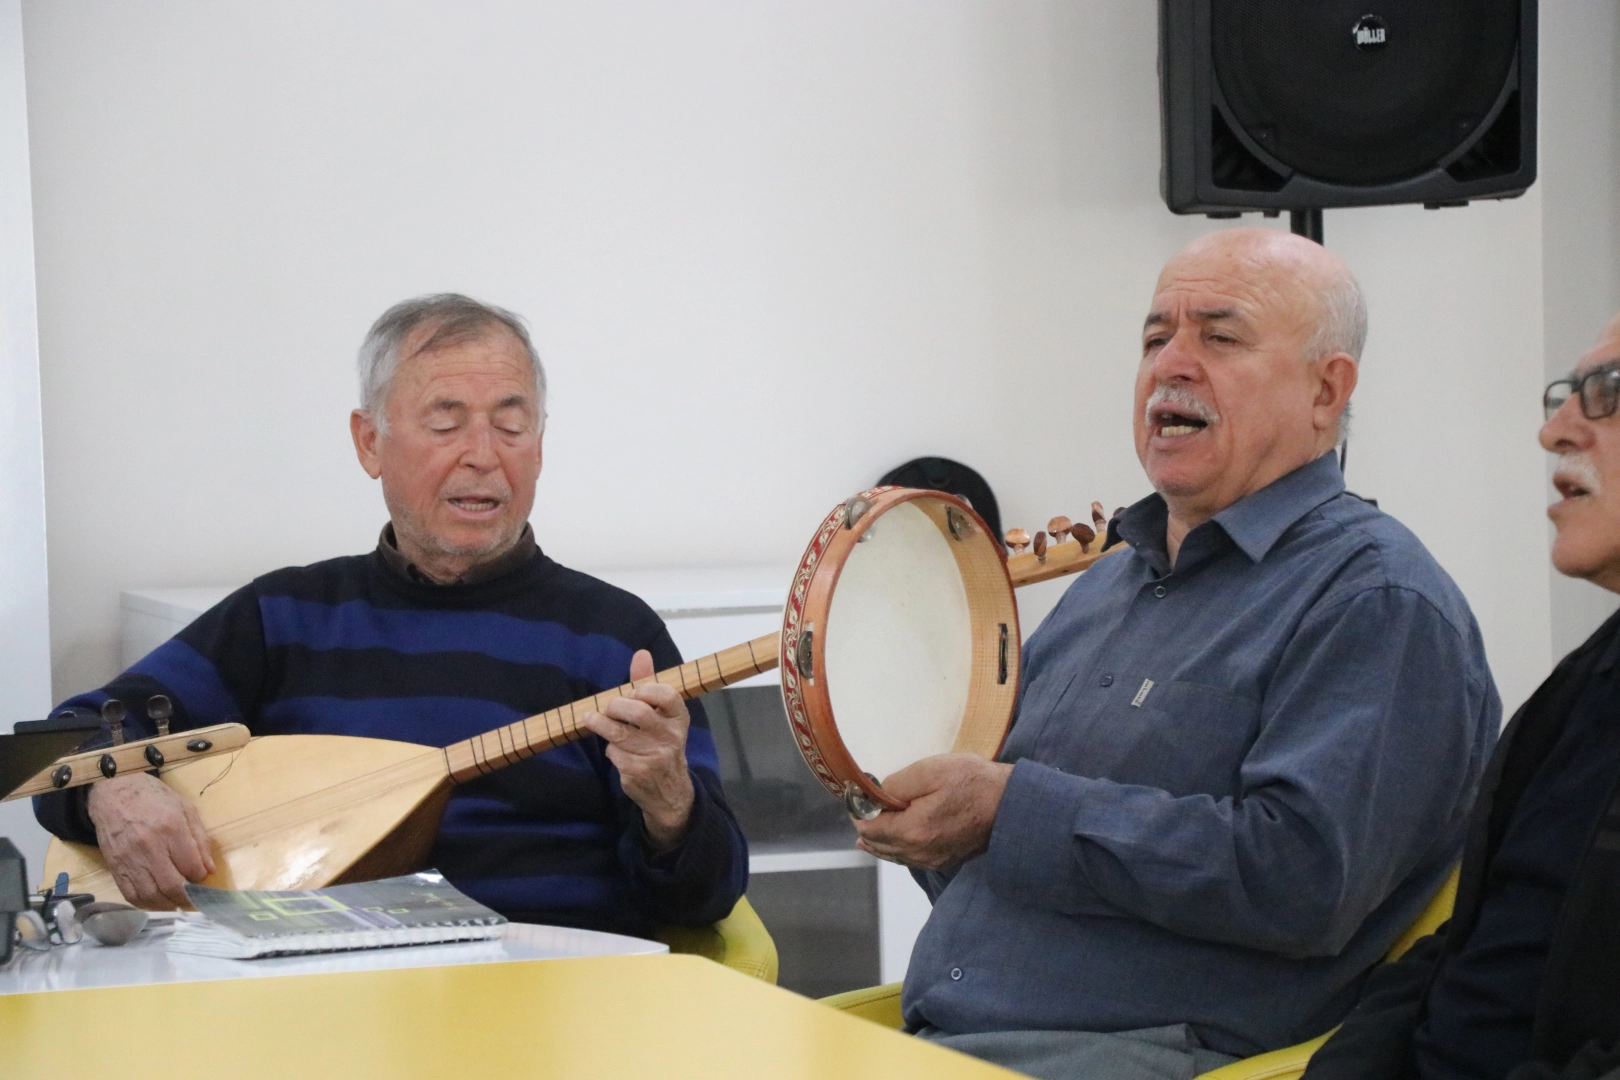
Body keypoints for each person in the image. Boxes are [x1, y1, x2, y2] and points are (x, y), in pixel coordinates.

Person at [851, 228, 1500, 1080]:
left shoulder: (1377, 600)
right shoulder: (1107, 584)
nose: (1172, 364)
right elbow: (993, 838)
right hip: (939, 1032)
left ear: (1326, 390)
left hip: (1145, 1055)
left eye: (1220, 337)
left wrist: (1010, 809)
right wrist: (915, 810)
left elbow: (1302, 883)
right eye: (1156, 337)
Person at [35, 294, 747, 937]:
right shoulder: (283, 617)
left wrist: (670, 805)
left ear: (540, 443)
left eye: (511, 425)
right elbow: (59, 744)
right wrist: (114, 788)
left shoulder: (616, 637)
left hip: (545, 990)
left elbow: (707, 898)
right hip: (323, 992)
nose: (482, 455)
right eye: (445, 423)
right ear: (369, 441)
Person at [1304, 313, 1620, 1080]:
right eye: (1566, 395)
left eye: (1610, 392)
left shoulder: (1383, 595)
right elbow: (1479, 938)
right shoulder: (1590, 679)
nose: (1555, 431)